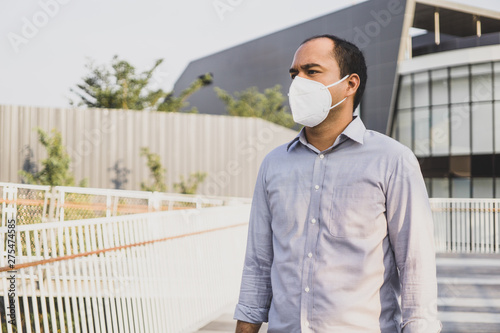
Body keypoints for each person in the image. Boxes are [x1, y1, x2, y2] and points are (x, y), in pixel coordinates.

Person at [233, 35, 442, 333]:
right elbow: (258, 261)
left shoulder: (393, 160)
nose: (298, 82)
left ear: (350, 83)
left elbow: (416, 264)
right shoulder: (274, 164)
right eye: (295, 74)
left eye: (311, 71)